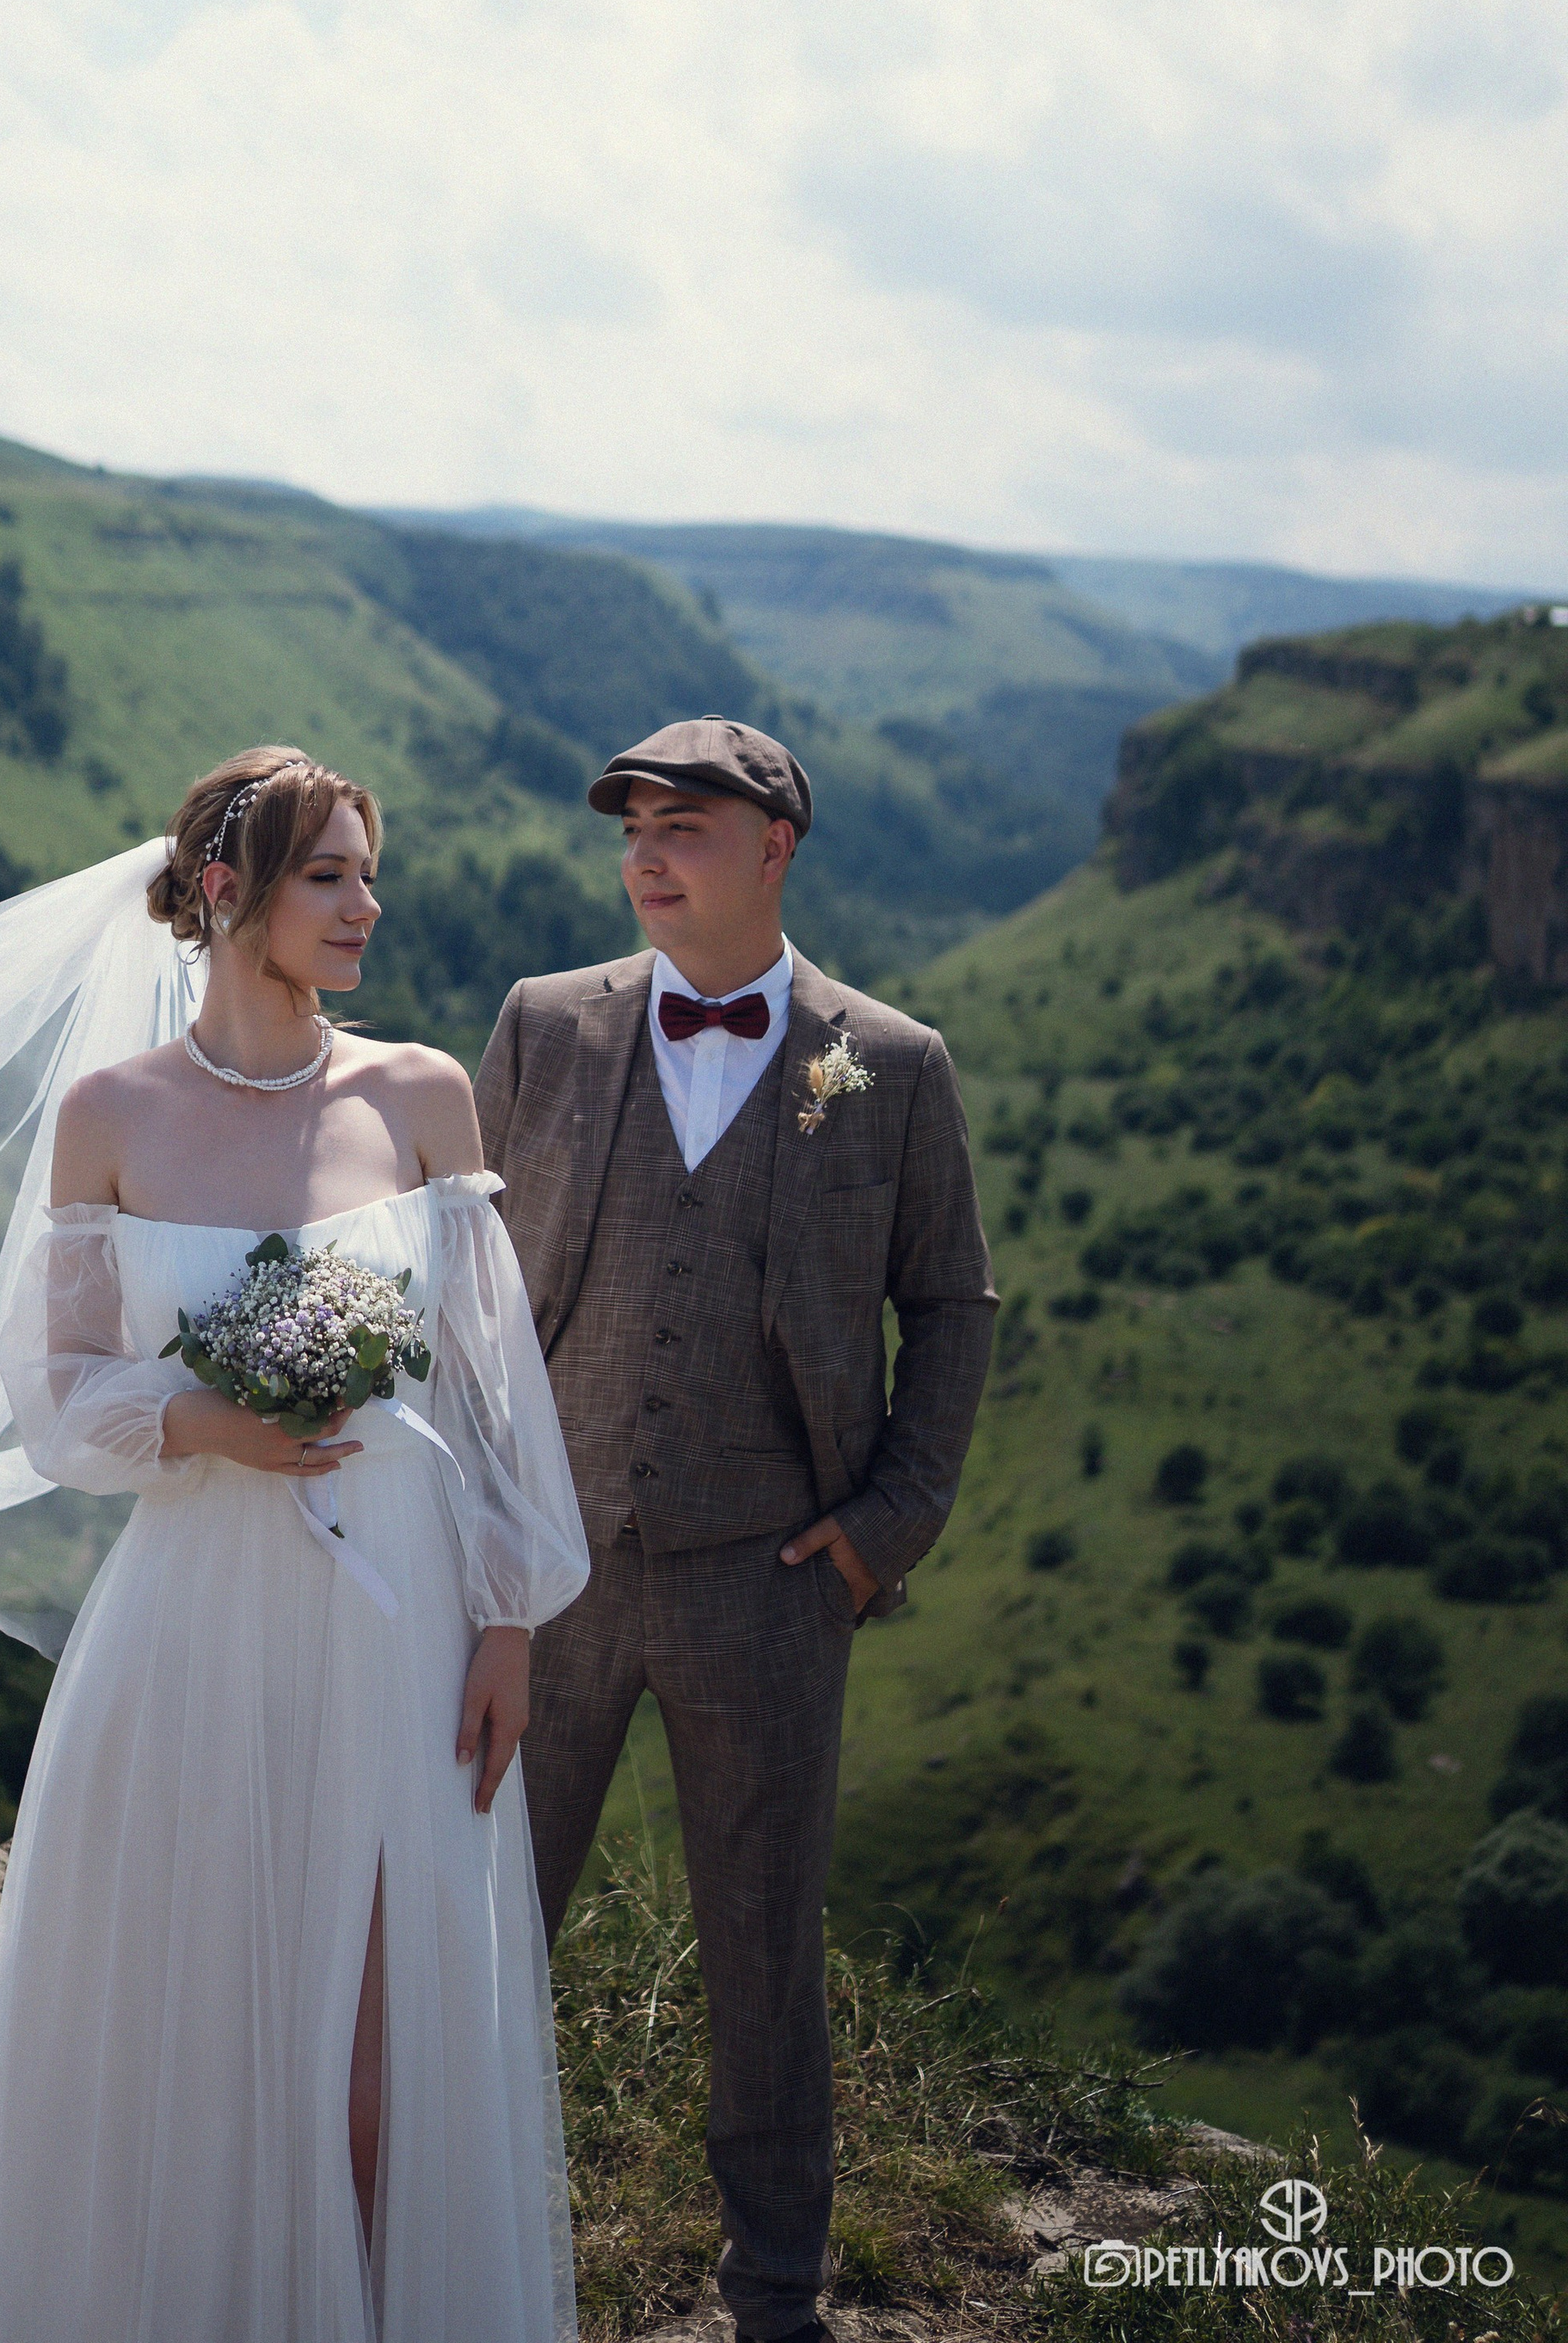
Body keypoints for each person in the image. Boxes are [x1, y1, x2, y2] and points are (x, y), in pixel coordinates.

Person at [0, 745, 590, 2343]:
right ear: (227, 892)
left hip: (407, 1616)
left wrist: (508, 1624)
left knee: (377, 2069)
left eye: (367, 870)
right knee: (196, 2042)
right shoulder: (111, 1119)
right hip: (197, 1622)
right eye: (329, 876)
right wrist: (208, 1421)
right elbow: (64, 1402)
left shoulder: (421, 1095)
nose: (368, 903)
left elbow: (493, 1392)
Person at [473, 716, 997, 2343]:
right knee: (482, 1921)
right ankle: (443, 2236)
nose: (645, 848)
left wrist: (881, 1530)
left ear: (777, 847)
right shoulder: (543, 1026)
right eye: (632, 821)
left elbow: (953, 1309)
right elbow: (453, 1279)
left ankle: (775, 2286)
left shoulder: (891, 1064)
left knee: (762, 1949)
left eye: (685, 825)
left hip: (775, 1586)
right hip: (540, 1578)